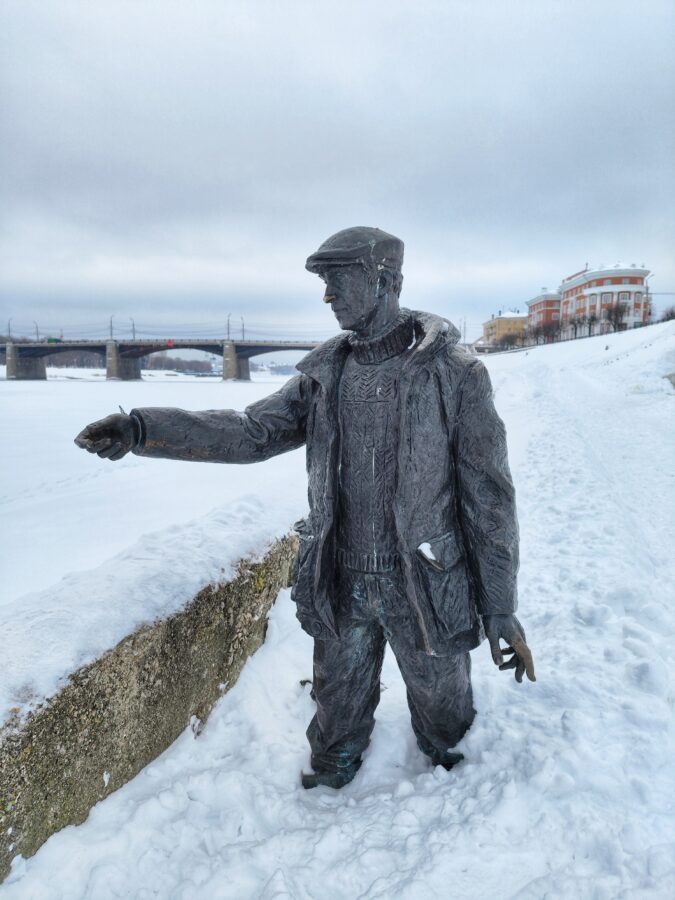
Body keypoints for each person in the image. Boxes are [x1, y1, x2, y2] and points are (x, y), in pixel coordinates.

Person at [75, 226, 535, 790]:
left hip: (425, 583)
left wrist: (499, 605)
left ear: (383, 280)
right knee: (335, 729)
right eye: (324, 282)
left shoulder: (455, 375)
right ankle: (331, 784)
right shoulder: (323, 376)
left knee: (447, 728)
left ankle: (454, 797)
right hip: (341, 580)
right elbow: (250, 432)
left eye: (337, 280)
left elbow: (488, 497)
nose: (327, 296)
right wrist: (142, 429)